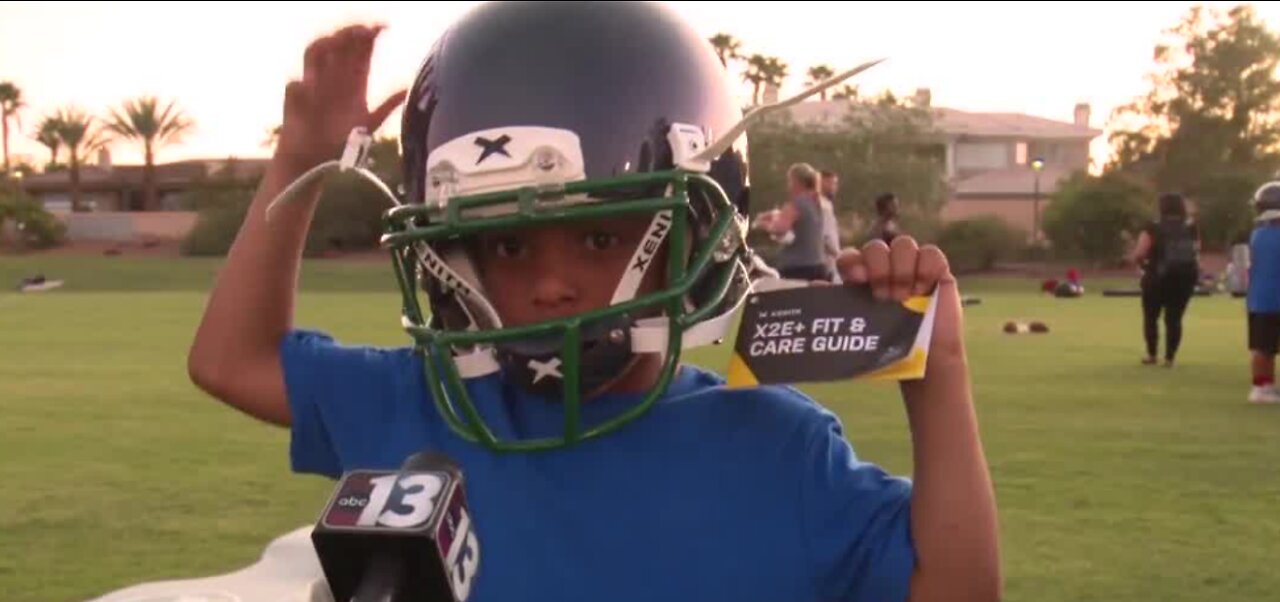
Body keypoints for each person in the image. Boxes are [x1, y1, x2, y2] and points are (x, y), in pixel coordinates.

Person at [187, 3, 999, 601]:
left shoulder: (774, 447)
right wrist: (300, 159)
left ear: (694, 234)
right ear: (450, 252)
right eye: (507, 246)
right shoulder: (427, 405)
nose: (550, 284)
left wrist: (940, 376)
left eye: (602, 239)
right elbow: (231, 361)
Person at [1128, 192, 1201, 367]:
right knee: (1174, 319)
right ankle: (1170, 358)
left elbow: (1140, 253)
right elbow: (1196, 251)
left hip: (1157, 277)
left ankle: (1152, 355)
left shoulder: (1153, 227)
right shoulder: (1191, 228)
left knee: (1151, 317)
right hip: (1184, 278)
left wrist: (1140, 264)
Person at [756, 163, 832, 282]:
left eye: (789, 181)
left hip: (797, 268)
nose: (788, 186)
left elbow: (780, 229)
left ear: (796, 182)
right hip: (819, 265)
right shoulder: (819, 204)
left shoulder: (796, 203)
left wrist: (762, 224)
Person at [1246, 182, 1280, 404]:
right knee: (1265, 348)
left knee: (1263, 347)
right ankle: (1262, 389)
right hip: (1273, 298)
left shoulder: (1258, 235)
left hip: (1259, 300)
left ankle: (1262, 386)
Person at [819, 170, 843, 282]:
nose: (835, 187)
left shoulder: (827, 205)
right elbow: (823, 237)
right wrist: (839, 256)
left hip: (830, 262)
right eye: (833, 183)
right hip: (825, 262)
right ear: (823, 183)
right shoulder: (821, 206)